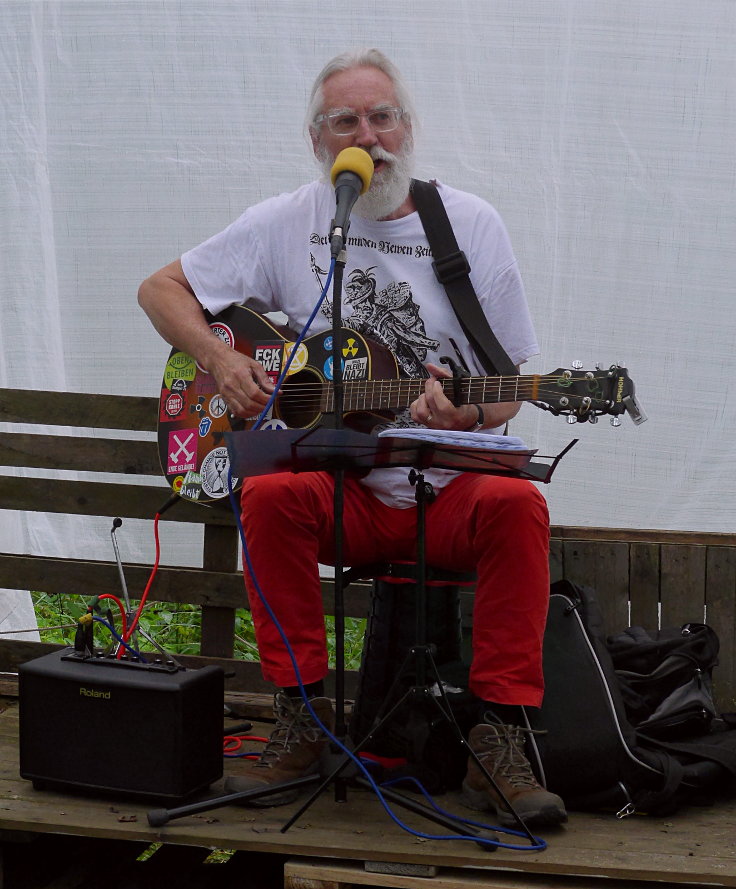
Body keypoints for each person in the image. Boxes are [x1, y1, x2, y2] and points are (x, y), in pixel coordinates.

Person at [138, 48, 566, 827]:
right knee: (266, 495)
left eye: (382, 117)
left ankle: (497, 739)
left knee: (518, 510)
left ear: (410, 128)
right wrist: (221, 358)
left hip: (445, 491)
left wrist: (464, 412)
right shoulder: (284, 222)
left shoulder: (469, 226)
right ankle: (300, 715)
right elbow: (160, 288)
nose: (367, 136)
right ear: (318, 141)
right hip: (343, 494)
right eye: (346, 121)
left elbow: (503, 397)